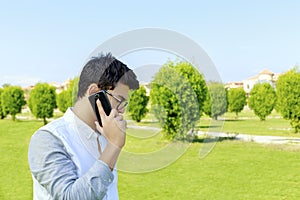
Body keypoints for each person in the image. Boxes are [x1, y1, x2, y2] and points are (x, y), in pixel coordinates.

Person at [28, 53, 139, 200]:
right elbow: (69, 196)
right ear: (94, 92)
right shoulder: (48, 139)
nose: (122, 109)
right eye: (119, 100)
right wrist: (114, 146)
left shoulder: (105, 136)